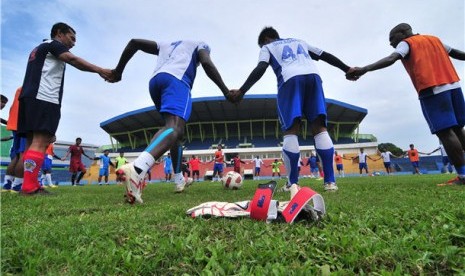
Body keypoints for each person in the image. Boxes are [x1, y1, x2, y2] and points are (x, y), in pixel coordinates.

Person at [229, 27, 352, 191]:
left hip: (289, 79)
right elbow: (323, 55)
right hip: (314, 77)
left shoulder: (267, 47)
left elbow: (261, 67)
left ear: (266, 39)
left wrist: (242, 90)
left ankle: (292, 183)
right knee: (320, 128)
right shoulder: (299, 41)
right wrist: (347, 69)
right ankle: (330, 182)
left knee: (291, 130)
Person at [109, 38, 230, 203]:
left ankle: (179, 179)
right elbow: (207, 63)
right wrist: (226, 91)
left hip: (155, 82)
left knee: (174, 133)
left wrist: (118, 70)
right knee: (175, 127)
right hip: (177, 81)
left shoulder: (166, 44)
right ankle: (137, 169)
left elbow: (134, 42)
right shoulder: (201, 44)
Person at [346, 23, 465, 186]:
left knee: (445, 131)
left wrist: (364, 69)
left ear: (403, 33)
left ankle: (463, 175)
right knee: (458, 129)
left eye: (392, 38)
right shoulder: (434, 39)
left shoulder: (408, 42)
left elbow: (391, 58)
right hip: (454, 85)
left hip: (433, 87)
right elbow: (457, 53)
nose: (391, 43)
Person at [17, 22, 111, 195]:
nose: (74, 43)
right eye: (71, 38)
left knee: (31, 143)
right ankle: (30, 187)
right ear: (59, 33)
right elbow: (73, 59)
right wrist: (100, 70)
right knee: (41, 141)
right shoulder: (53, 45)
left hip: (29, 96)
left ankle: (27, 184)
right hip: (44, 96)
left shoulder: (38, 48)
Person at [2, 87, 26, 193]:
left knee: (16, 156)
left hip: (14, 123)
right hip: (24, 123)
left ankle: (7, 185)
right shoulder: (33, 87)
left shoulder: (19, 89)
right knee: (23, 155)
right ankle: (17, 186)